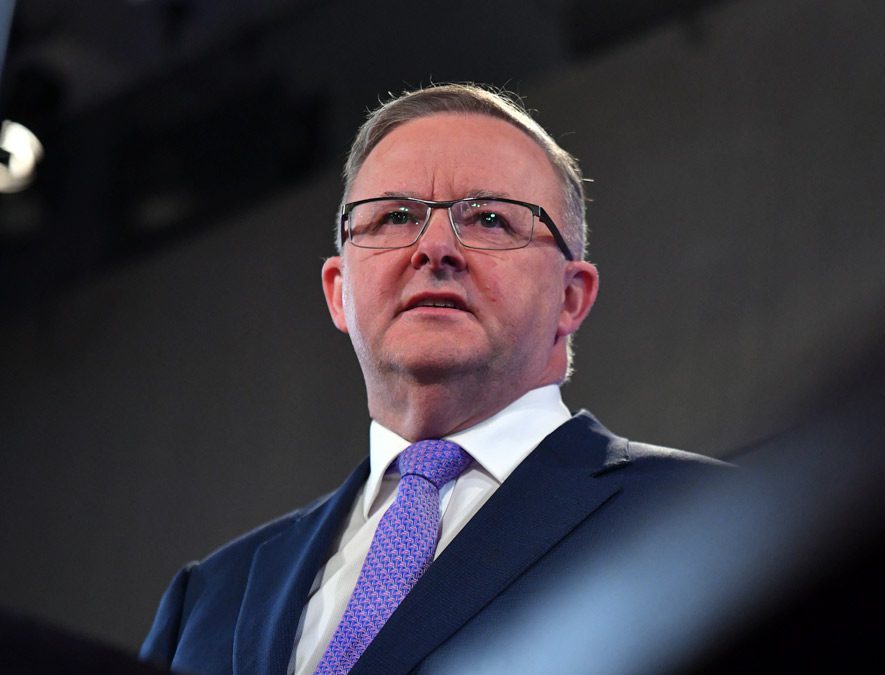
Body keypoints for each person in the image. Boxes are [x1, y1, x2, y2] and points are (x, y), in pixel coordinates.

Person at [139, 83, 726, 674]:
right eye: (396, 217)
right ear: (339, 293)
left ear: (571, 298)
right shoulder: (209, 599)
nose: (436, 248)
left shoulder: (699, 519)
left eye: (491, 219)